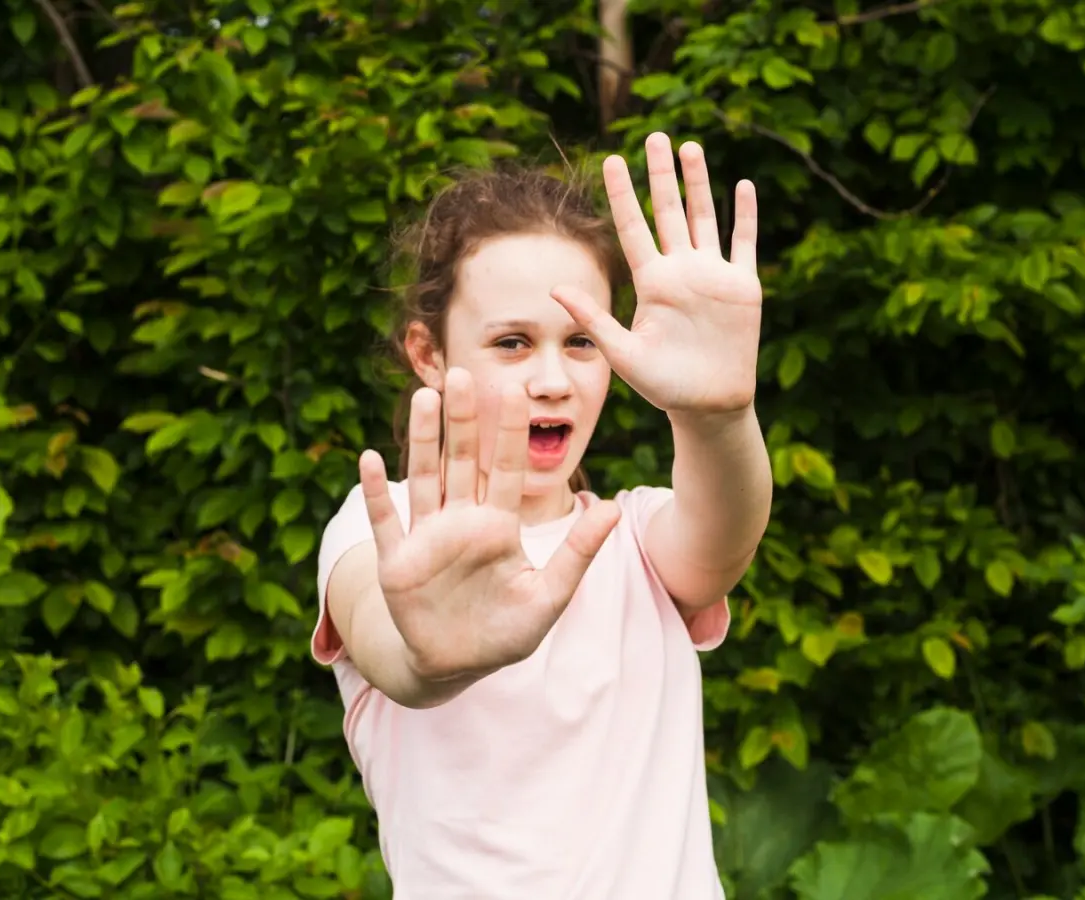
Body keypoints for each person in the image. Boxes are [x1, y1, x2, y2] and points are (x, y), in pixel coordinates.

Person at [308, 132, 772, 899]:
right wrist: (432, 652)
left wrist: (721, 416)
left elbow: (725, 535)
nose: (553, 379)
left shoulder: (636, 544)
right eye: (513, 342)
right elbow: (393, 647)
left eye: (581, 341)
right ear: (427, 353)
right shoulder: (380, 528)